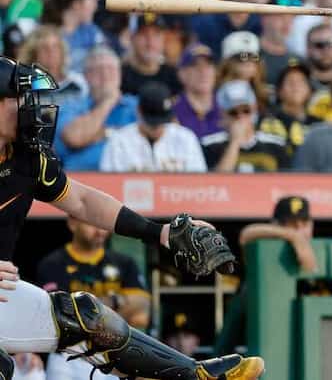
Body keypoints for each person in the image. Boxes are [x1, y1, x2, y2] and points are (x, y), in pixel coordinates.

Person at [0, 56, 264, 380]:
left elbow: (81, 201)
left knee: (84, 317)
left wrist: (159, 232)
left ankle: (192, 375)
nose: (31, 107)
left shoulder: (26, 158)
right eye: (18, 98)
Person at [38, 216, 149, 380]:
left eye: (103, 225)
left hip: (111, 355)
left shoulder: (125, 263)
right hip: (67, 356)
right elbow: (58, 315)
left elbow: (141, 311)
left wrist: (90, 307)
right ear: (73, 223)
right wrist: (116, 304)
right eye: (92, 223)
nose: (99, 231)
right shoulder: (52, 264)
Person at [56, 48, 138, 171]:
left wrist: (97, 134)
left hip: (132, 179)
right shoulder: (70, 106)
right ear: (86, 76)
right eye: (97, 70)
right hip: (83, 181)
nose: (105, 76)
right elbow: (75, 138)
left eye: (110, 69)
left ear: (120, 75)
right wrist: (108, 101)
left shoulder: (136, 105)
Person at [100, 82, 206, 172]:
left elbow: (198, 185)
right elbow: (107, 187)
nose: (156, 127)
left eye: (161, 121)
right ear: (138, 111)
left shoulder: (186, 138)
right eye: (152, 123)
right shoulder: (119, 141)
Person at [200, 80, 289, 173]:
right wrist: (234, 143)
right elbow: (214, 184)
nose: (241, 116)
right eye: (233, 112)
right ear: (222, 115)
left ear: (254, 110)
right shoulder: (209, 145)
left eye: (246, 110)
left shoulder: (276, 145)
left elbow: (288, 184)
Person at [257, 60, 321, 157]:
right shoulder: (267, 120)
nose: (296, 86)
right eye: (290, 81)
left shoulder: (319, 124)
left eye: (301, 81)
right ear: (279, 91)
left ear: (310, 91)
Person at [120, 13, 181, 96]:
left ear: (163, 39)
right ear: (132, 39)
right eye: (144, 35)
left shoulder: (174, 77)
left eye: (156, 35)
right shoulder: (120, 76)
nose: (150, 42)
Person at [173, 44, 222, 139]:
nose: (203, 71)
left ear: (215, 71)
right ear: (181, 74)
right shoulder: (173, 112)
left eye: (208, 65)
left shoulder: (229, 108)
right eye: (195, 65)